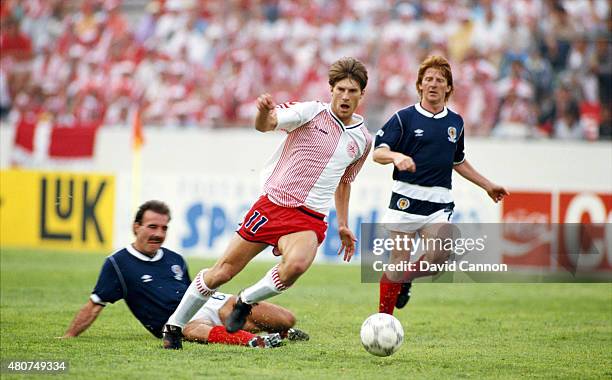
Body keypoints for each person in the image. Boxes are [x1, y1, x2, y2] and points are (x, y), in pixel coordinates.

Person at [162, 57, 372, 349]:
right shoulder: (311, 112)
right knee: (222, 272)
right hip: (273, 205)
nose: (346, 96)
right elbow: (267, 124)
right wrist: (262, 112)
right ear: (331, 90)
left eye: (352, 91)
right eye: (340, 89)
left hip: (309, 218)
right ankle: (173, 326)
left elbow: (345, 181)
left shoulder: (363, 140)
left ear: (362, 94)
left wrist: (344, 223)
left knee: (297, 265)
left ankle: (246, 300)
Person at [62, 200, 308, 348]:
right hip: (178, 322)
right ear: (136, 227)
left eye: (163, 228)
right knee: (193, 329)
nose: (159, 233)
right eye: (152, 227)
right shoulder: (118, 264)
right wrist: (69, 336)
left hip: (211, 303)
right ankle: (254, 342)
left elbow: (197, 290)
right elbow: (95, 304)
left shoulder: (173, 258)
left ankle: (281, 332)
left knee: (285, 318)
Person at [373, 56, 509, 315]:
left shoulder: (455, 122)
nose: (433, 84)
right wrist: (396, 156)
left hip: (438, 203)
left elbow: (457, 160)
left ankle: (407, 278)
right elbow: (378, 153)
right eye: (428, 79)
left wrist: (487, 185)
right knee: (397, 261)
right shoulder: (403, 118)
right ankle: (383, 321)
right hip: (404, 201)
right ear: (419, 85)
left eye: (439, 80)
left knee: (437, 260)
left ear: (448, 88)